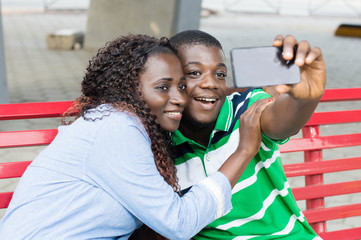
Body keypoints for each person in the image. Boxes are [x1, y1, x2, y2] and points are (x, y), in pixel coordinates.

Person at [0, 34, 273, 239]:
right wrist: (243, 151)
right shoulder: (117, 129)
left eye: (180, 85)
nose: (179, 98)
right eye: (163, 87)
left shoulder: (127, 125)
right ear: (130, 89)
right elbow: (178, 223)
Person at [166, 30, 326, 239]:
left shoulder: (245, 109)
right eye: (195, 73)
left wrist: (304, 100)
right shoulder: (160, 141)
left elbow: (281, 121)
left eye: (220, 74)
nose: (210, 83)